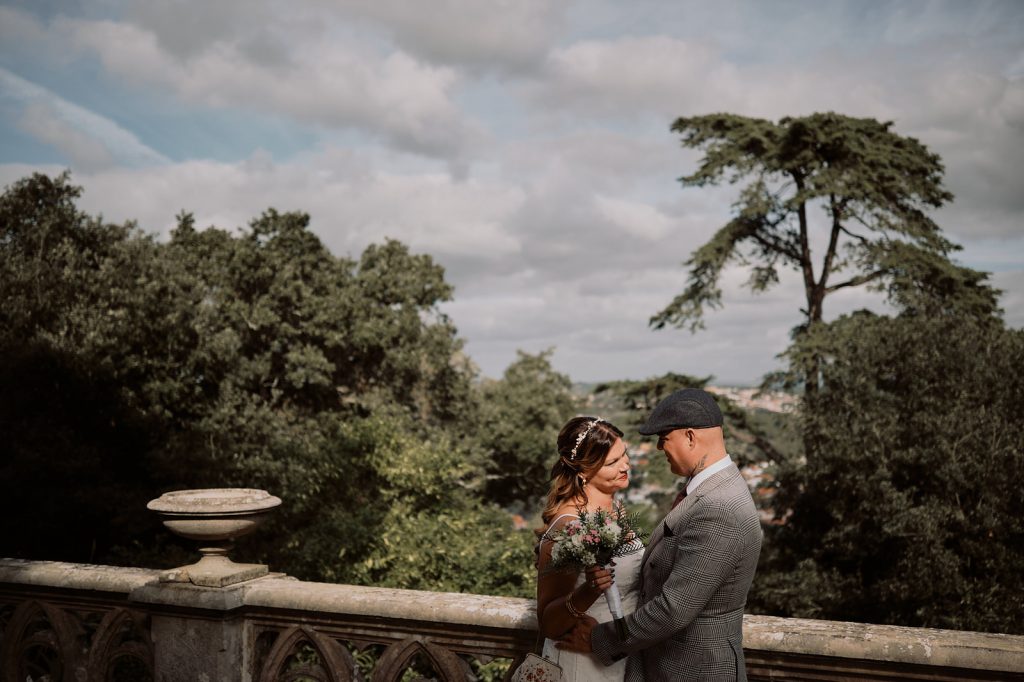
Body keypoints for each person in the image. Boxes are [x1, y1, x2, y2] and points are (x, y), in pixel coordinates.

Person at [557, 388, 762, 681]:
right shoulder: (712, 490)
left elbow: (674, 608)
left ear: (690, 437)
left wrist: (599, 639)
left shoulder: (719, 508)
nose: (658, 448)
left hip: (694, 671)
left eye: (663, 438)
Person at [533, 416, 644, 682]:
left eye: (624, 454)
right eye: (612, 462)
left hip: (616, 654)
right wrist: (589, 590)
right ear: (583, 471)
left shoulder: (616, 508)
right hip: (581, 663)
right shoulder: (568, 525)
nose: (625, 465)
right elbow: (549, 623)